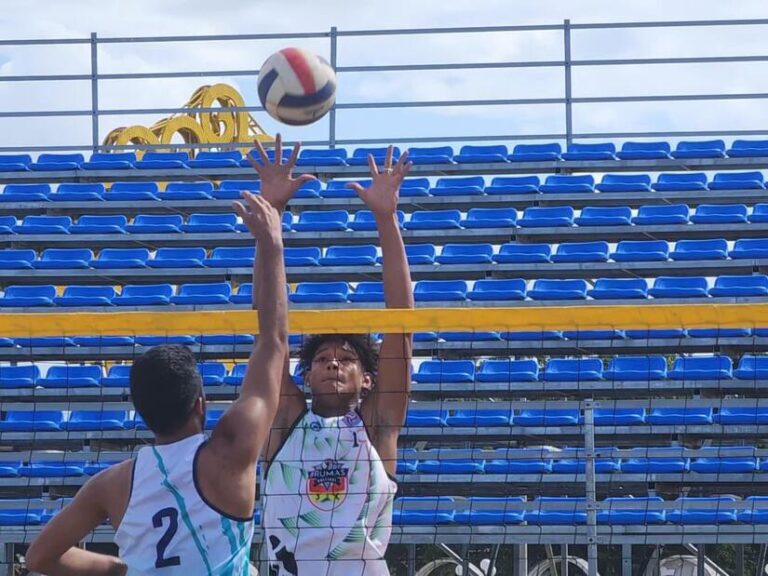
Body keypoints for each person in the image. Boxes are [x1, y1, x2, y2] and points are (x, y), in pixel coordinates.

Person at [26, 192, 289, 576]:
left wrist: (121, 569)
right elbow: (273, 338)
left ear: (143, 412)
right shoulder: (231, 449)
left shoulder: (112, 483)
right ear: (200, 402)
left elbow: (39, 558)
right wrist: (271, 241)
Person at [246, 136, 414, 576]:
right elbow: (268, 325)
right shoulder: (286, 420)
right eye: (322, 359)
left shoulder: (378, 425)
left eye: (346, 359)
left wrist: (386, 217)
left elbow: (401, 322)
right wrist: (271, 218)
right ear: (307, 375)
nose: (333, 363)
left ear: (368, 380)